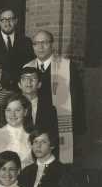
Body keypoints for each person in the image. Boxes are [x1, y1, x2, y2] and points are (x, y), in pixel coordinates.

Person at [23, 30, 86, 164]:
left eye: (44, 42)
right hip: (34, 126)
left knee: (59, 167)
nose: (40, 47)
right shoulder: (27, 68)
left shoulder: (67, 66)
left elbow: (77, 99)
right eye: (36, 43)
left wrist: (77, 131)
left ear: (52, 45)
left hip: (58, 127)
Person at [0, 8, 34, 89]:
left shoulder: (26, 42)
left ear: (15, 21)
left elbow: (30, 66)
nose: (7, 23)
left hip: (21, 89)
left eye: (10, 19)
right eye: (3, 19)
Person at [0, 93, 34, 168]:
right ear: (4, 112)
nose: (12, 115)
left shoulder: (33, 134)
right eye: (8, 110)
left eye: (17, 110)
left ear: (25, 112)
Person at [18, 67, 58, 152]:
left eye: (33, 78)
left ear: (39, 84)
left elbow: (53, 137)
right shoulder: (10, 106)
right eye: (25, 78)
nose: (29, 82)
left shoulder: (50, 109)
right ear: (19, 84)